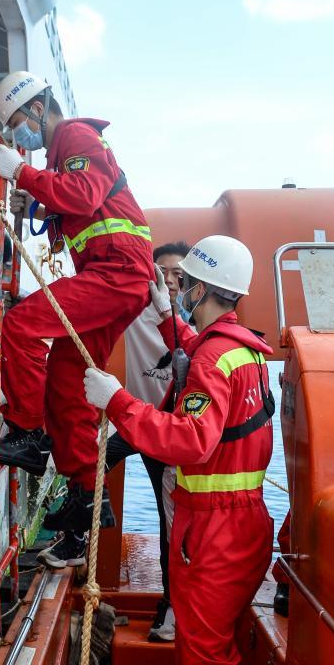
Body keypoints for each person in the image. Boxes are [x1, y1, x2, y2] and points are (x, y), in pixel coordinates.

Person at [84, 235, 278, 665]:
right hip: (238, 525)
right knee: (204, 658)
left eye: (183, 283)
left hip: (214, 533)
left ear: (200, 287)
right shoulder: (238, 350)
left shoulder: (214, 357)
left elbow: (191, 439)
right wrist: (170, 319)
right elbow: (199, 361)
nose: (179, 289)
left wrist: (115, 399)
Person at [0, 71, 154, 568]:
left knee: (21, 324)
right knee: (67, 382)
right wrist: (39, 202)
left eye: (17, 122)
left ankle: (29, 434)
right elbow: (81, 206)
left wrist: (23, 174)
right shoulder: (61, 154)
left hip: (116, 271)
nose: (19, 135)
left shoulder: (74, 135)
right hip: (115, 275)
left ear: (36, 109)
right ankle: (85, 507)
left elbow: (85, 195)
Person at [104, 240, 192, 642]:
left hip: (166, 433)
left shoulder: (195, 328)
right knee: (86, 463)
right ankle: (81, 533)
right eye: (162, 273)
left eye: (178, 275)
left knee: (169, 524)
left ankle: (170, 607)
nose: (169, 281)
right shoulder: (133, 310)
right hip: (132, 422)